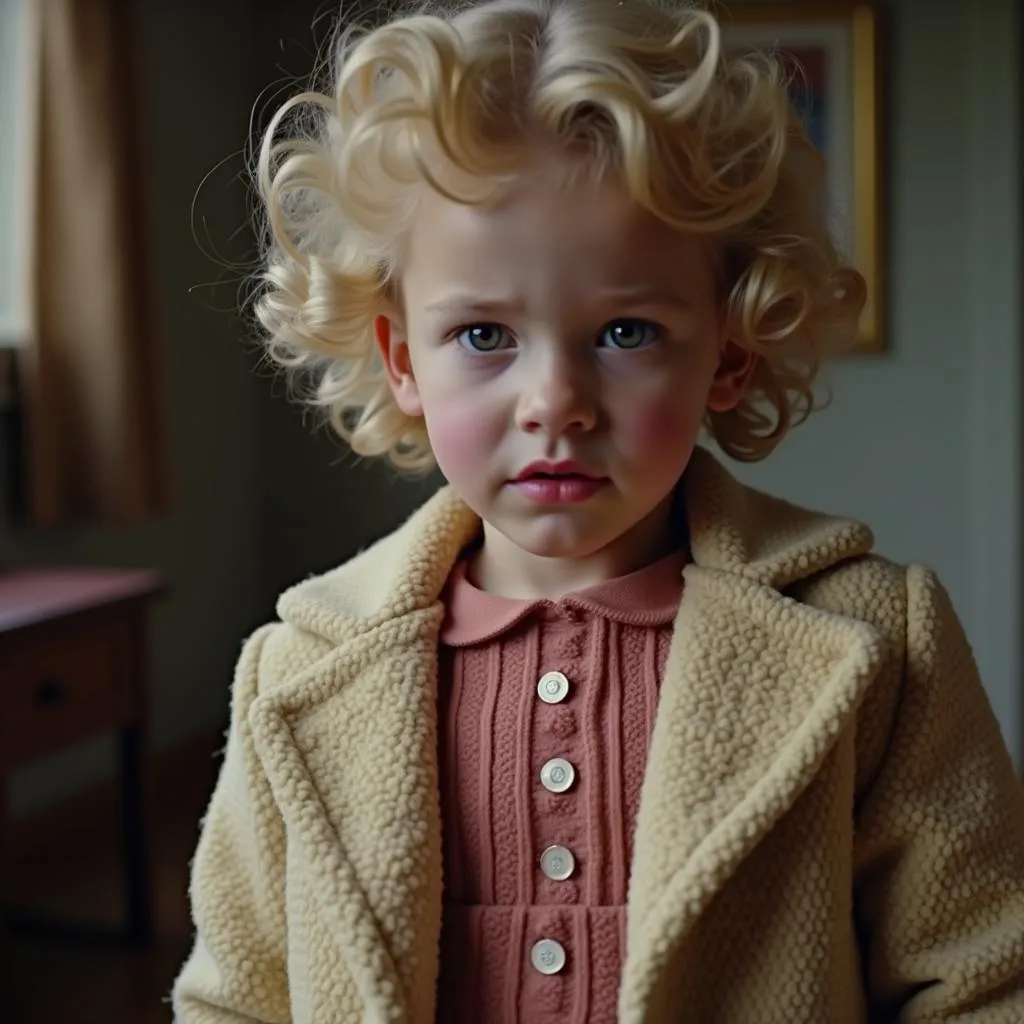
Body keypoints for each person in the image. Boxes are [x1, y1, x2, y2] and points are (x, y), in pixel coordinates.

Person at [172, 0, 1024, 1020]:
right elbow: (237, 996)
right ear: (402, 360)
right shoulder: (299, 671)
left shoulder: (882, 644)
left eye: (625, 329)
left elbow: (980, 979)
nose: (554, 404)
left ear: (728, 349)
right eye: (484, 336)